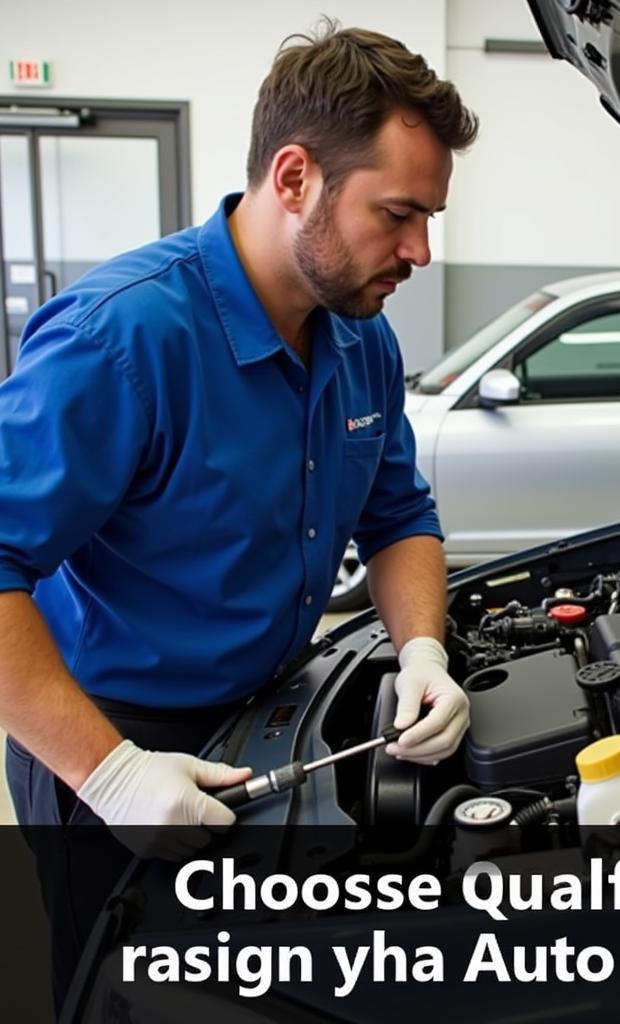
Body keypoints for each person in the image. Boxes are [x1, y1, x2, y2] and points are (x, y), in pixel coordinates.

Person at [0, 20, 477, 1008]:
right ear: (295, 175)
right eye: (397, 214)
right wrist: (112, 773)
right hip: (108, 740)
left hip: (268, 720)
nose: (420, 250)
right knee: (127, 991)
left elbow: (397, 514)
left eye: (428, 218)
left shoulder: (359, 340)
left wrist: (421, 649)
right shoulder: (123, 339)